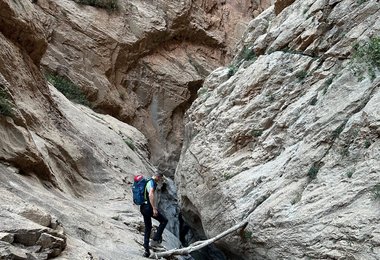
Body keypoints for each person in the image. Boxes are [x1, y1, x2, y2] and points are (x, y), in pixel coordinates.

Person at [140, 172, 168, 257]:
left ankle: (146, 251)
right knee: (164, 221)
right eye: (160, 179)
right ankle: (155, 240)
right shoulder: (152, 182)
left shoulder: (147, 181)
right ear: (157, 177)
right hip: (148, 207)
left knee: (148, 227)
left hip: (143, 207)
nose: (159, 181)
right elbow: (151, 194)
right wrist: (154, 208)